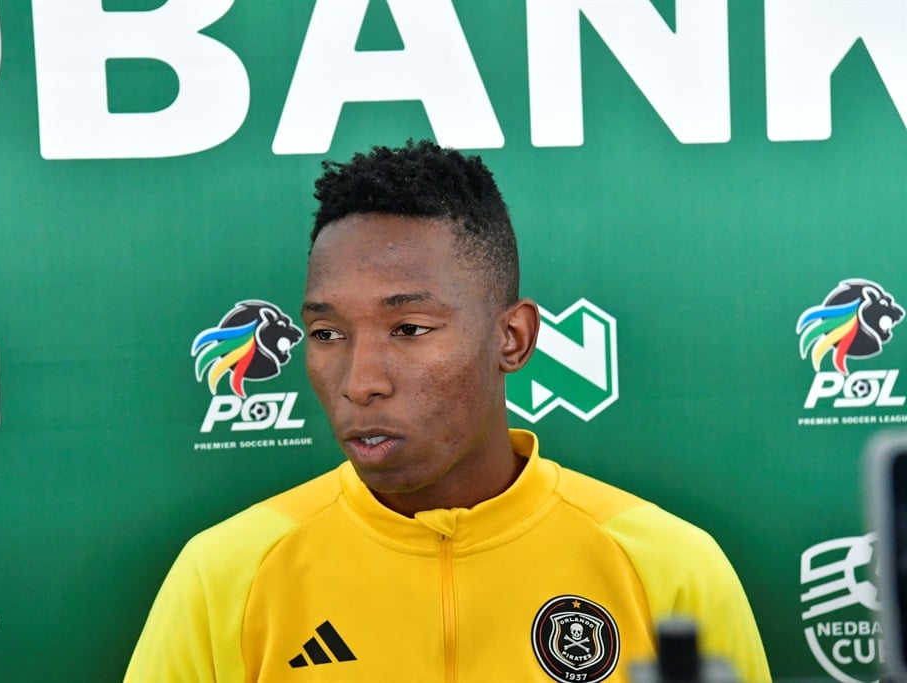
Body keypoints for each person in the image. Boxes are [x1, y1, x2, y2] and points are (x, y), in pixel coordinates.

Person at [124, 140, 771, 682]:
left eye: (408, 328)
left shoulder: (670, 566)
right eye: (327, 334)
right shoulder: (225, 575)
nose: (361, 380)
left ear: (511, 338)